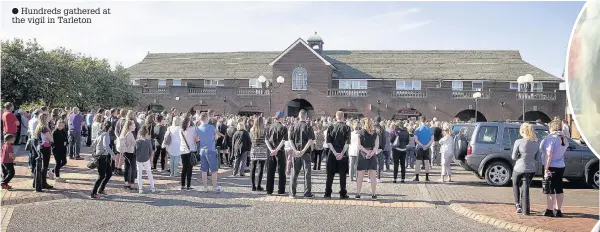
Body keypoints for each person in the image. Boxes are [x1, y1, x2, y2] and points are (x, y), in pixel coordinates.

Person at [539, 120, 569, 217]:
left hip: (551, 165)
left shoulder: (551, 138)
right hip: (561, 165)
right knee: (559, 187)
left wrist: (546, 169)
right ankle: (558, 210)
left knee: (550, 188)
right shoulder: (564, 138)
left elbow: (549, 154)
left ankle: (550, 210)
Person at [511, 123, 539, 214]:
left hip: (519, 167)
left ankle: (517, 204)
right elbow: (537, 157)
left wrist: (520, 155)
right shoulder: (535, 142)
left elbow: (514, 157)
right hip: (531, 169)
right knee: (525, 185)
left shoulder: (518, 142)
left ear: (523, 131)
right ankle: (524, 204)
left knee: (515, 183)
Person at [288, 110, 315, 198]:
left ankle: (292, 193)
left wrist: (295, 150)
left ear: (299, 116)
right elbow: (310, 141)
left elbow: (290, 140)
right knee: (307, 173)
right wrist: (303, 150)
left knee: (294, 173)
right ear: (306, 116)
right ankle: (307, 192)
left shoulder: (293, 126)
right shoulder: (308, 126)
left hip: (296, 153)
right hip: (306, 153)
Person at [324, 111, 351, 199]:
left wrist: (335, 153)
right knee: (342, 175)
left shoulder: (331, 127)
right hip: (342, 153)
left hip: (332, 153)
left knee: (330, 175)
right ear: (343, 117)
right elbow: (347, 143)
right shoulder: (347, 128)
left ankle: (327, 193)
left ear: (336, 117)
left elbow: (328, 142)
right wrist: (342, 153)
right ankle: (343, 193)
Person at [91, 121, 117, 199]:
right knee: (101, 176)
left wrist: (96, 151)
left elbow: (93, 144)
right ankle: (93, 193)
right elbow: (106, 146)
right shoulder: (106, 135)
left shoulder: (100, 134)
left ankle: (101, 189)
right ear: (110, 127)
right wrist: (113, 154)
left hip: (102, 156)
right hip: (102, 156)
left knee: (109, 173)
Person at [196, 112, 221, 192]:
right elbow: (216, 137)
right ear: (207, 118)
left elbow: (197, 139)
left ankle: (205, 187)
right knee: (214, 170)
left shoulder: (198, 128)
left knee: (204, 170)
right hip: (210, 149)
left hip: (202, 150)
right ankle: (214, 186)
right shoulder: (212, 127)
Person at [356, 117, 380, 200]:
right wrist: (371, 153)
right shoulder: (375, 133)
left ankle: (358, 194)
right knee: (373, 176)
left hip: (363, 154)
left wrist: (366, 152)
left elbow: (359, 145)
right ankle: (373, 194)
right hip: (372, 154)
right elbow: (376, 146)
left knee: (360, 176)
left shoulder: (360, 132)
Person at [265, 112, 288, 195]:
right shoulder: (283, 128)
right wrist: (277, 150)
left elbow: (266, 140)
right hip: (280, 151)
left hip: (270, 152)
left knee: (270, 171)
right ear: (281, 118)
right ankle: (281, 190)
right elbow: (283, 140)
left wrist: (271, 150)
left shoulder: (268, 127)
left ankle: (269, 190)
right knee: (281, 171)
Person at [34, 113, 54, 190]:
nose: (49, 118)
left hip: (40, 146)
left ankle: (41, 182)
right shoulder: (44, 127)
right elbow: (50, 138)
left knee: (43, 165)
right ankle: (43, 183)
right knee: (44, 165)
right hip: (45, 147)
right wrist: (52, 140)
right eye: (48, 117)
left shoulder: (39, 126)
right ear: (45, 118)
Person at [135, 126, 156, 194]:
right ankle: (152, 187)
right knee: (149, 173)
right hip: (146, 158)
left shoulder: (137, 142)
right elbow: (151, 150)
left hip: (138, 159)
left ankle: (140, 189)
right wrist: (150, 157)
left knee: (139, 174)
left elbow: (134, 151)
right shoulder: (148, 141)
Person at [413, 116, 434, 182]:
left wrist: (422, 145)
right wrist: (426, 145)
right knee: (427, 162)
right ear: (425, 121)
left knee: (418, 162)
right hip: (427, 148)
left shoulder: (417, 129)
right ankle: (427, 177)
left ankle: (417, 177)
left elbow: (416, 140)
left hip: (420, 148)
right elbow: (432, 139)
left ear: (420, 121)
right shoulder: (430, 129)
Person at [249, 117, 267, 191]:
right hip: (262, 150)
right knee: (261, 168)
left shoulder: (252, 130)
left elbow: (251, 139)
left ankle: (253, 186)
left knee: (252, 168)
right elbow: (266, 140)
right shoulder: (264, 130)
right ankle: (258, 185)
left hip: (254, 149)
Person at [118, 120, 137, 189]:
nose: (135, 126)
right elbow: (135, 143)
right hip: (131, 152)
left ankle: (126, 182)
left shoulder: (124, 133)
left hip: (126, 152)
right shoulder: (130, 134)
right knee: (133, 168)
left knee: (127, 167)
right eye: (133, 124)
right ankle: (131, 183)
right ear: (130, 126)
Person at [374, 117, 386, 183]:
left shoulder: (371, 127)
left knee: (371, 163)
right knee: (379, 163)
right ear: (380, 121)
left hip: (371, 147)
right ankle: (378, 178)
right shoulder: (381, 129)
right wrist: (383, 148)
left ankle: (369, 178)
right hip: (379, 147)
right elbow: (384, 140)